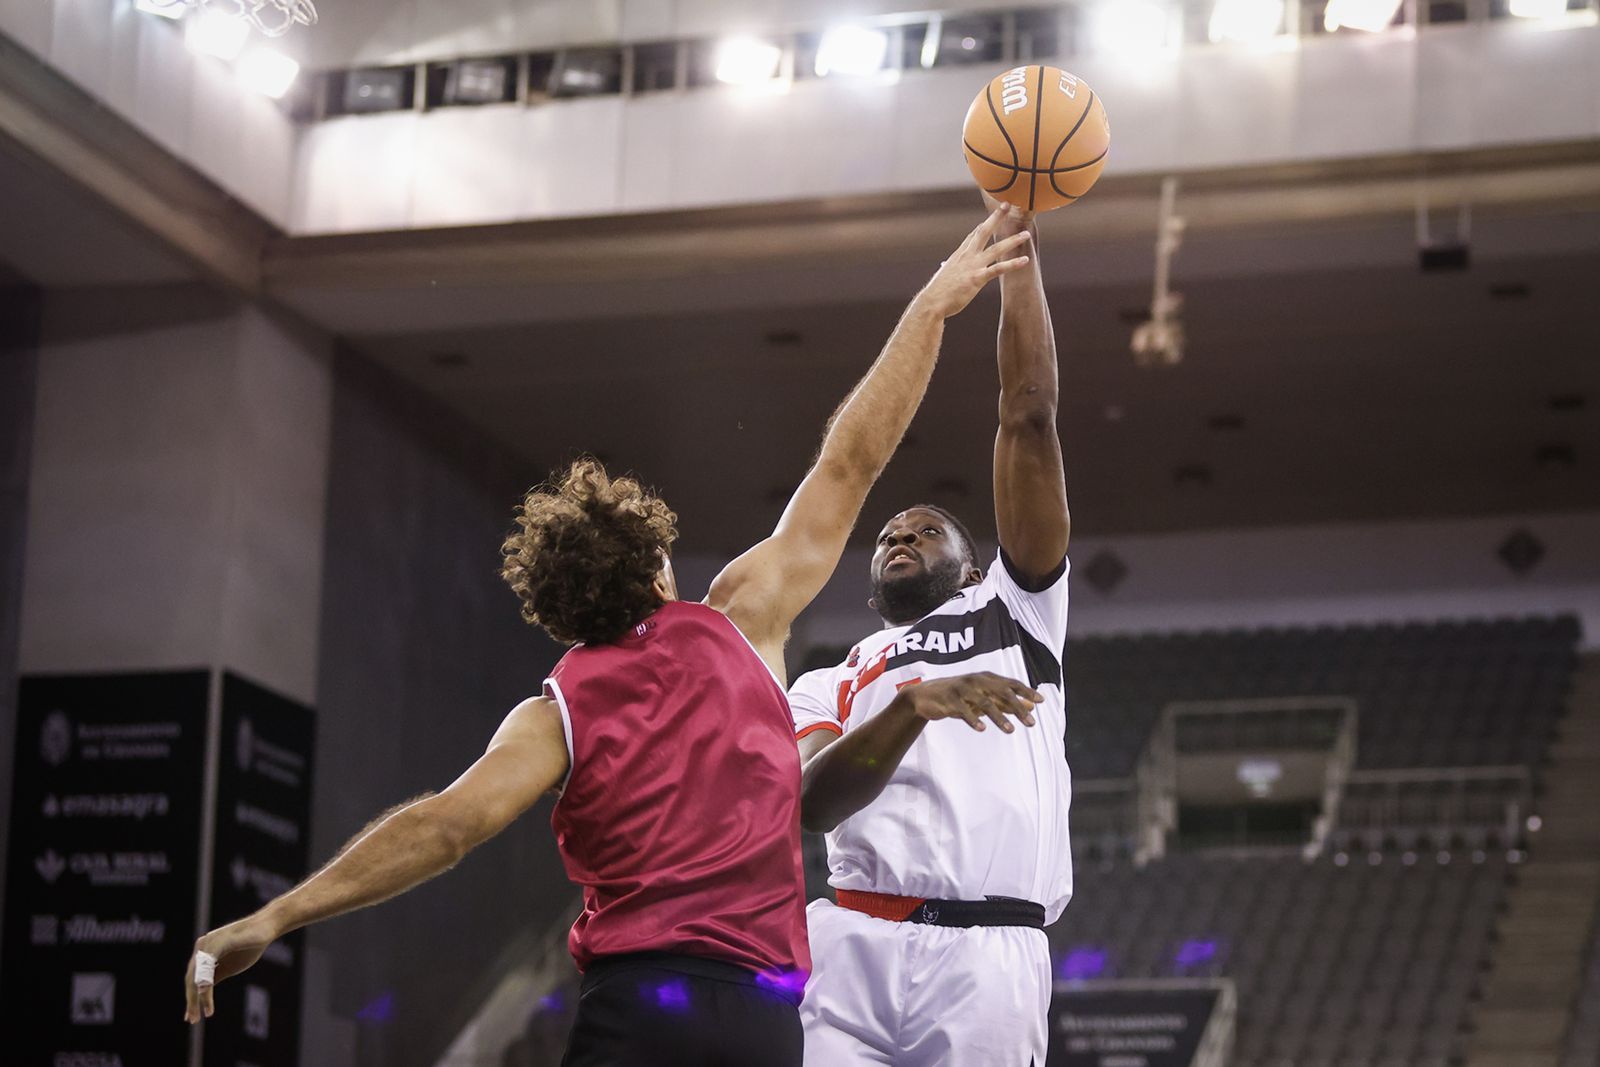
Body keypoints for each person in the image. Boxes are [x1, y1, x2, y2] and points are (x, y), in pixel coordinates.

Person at [180, 209, 1037, 1067]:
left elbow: (444, 828)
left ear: (562, 607)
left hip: (637, 1004)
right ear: (657, 563)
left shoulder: (555, 712)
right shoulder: (741, 616)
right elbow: (851, 461)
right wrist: (931, 308)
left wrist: (279, 913)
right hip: (763, 1013)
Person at [788, 199, 1072, 1066]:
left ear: (975, 558)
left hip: (988, 953)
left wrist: (1018, 266)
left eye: (925, 528)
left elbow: (1027, 415)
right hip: (849, 948)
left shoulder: (1015, 612)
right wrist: (912, 706)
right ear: (872, 590)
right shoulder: (828, 677)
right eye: (886, 536)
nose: (900, 535)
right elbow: (806, 805)